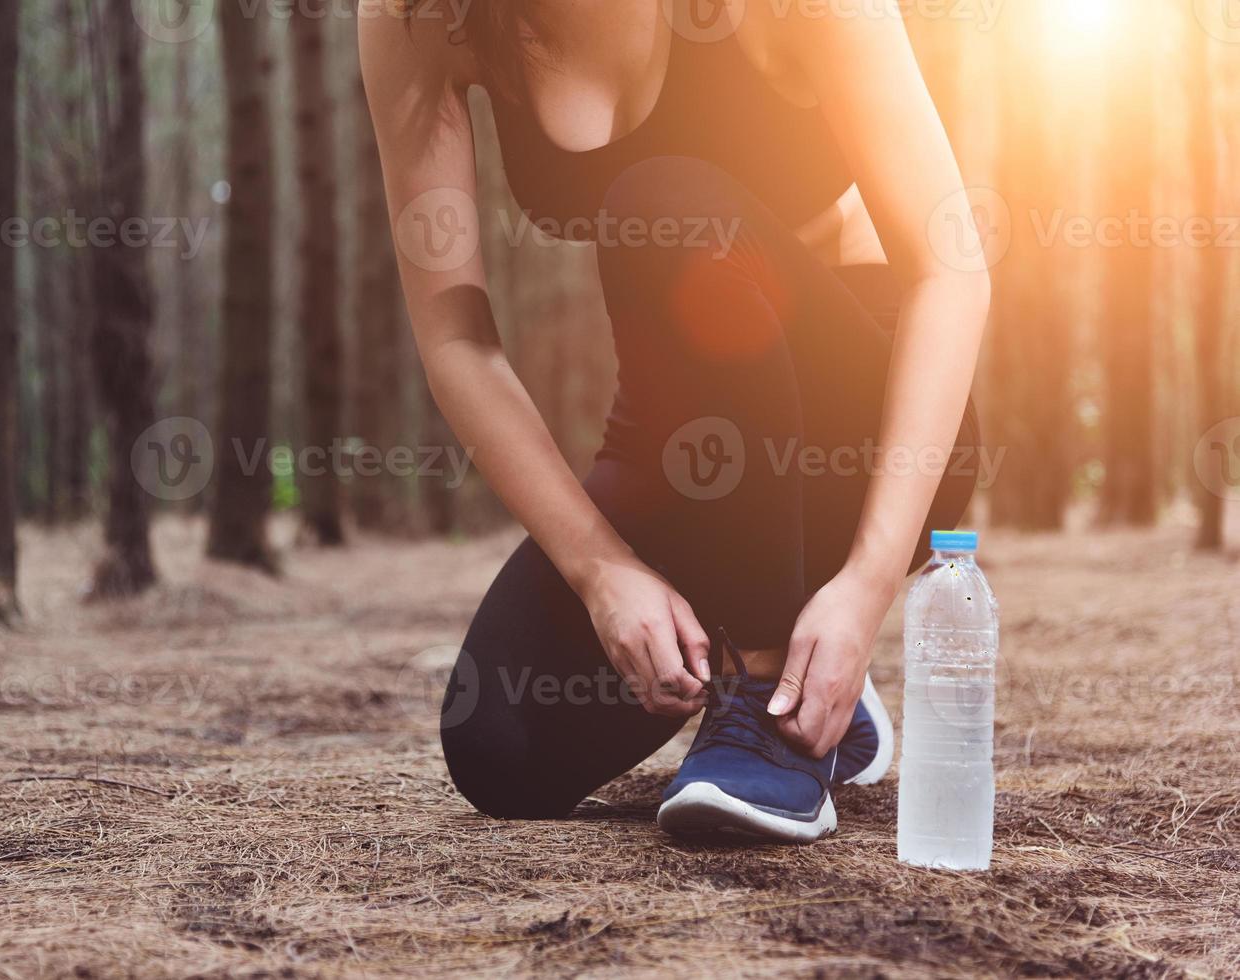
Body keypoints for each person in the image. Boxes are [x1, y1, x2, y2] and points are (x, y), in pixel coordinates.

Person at [361, 0, 989, 842]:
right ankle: (814, 687)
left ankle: (771, 700)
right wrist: (600, 571)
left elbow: (951, 272)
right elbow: (456, 338)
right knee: (500, 748)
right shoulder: (420, 16)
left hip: (870, 430)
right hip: (689, 437)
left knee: (659, 202)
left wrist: (867, 586)